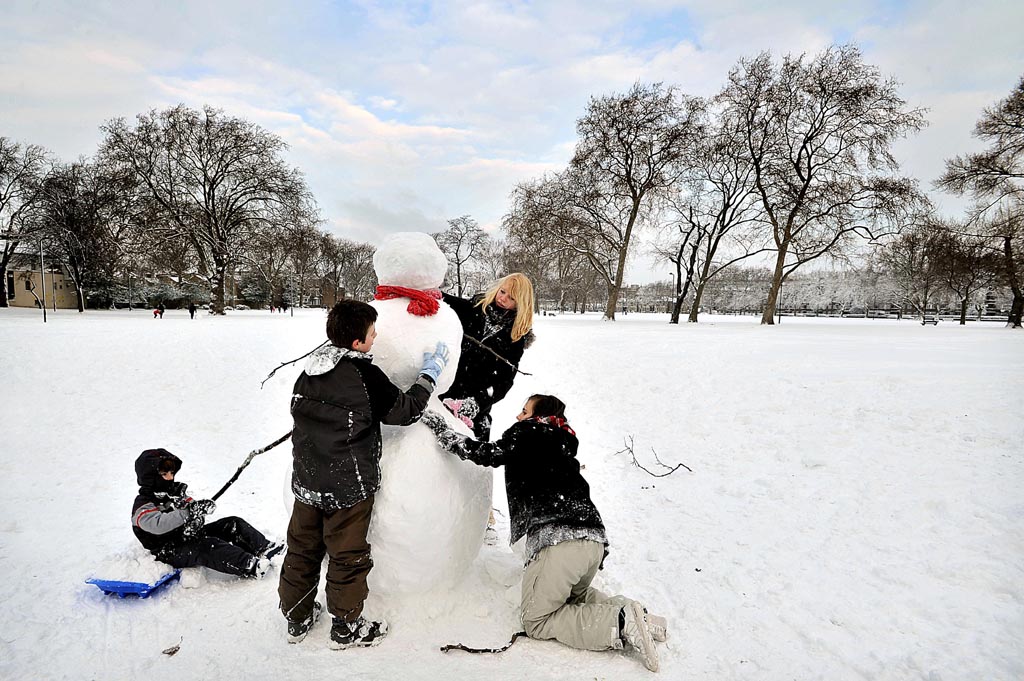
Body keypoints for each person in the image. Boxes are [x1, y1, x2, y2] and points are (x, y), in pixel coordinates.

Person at [420, 395, 667, 672]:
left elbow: (488, 453)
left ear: (538, 417)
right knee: (572, 599)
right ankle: (642, 618)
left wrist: (447, 435)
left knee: (536, 620)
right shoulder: (561, 444)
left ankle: (622, 623)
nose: (518, 417)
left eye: (524, 411)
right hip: (593, 541)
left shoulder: (529, 432)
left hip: (558, 539)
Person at [278, 299, 449, 648]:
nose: (376, 338)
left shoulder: (308, 372)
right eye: (372, 334)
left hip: (307, 479)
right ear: (357, 343)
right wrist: (428, 376)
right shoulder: (365, 376)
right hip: (348, 485)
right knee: (347, 555)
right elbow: (405, 411)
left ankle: (296, 618)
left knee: (302, 549)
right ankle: (345, 627)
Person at [131, 449, 283, 579]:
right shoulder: (143, 505)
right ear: (150, 478)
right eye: (164, 474)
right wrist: (189, 512)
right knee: (206, 547)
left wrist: (198, 515)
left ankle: (266, 548)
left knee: (232, 524)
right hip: (169, 550)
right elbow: (159, 525)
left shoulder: (174, 493)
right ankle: (249, 565)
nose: (170, 477)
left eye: (172, 472)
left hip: (187, 537)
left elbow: (191, 507)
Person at [439, 273, 535, 440]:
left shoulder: (515, 337)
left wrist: (475, 403)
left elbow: (504, 381)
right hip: (444, 392)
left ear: (520, 303)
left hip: (475, 410)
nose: (503, 298)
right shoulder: (474, 309)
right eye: (502, 291)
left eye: (511, 298)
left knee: (466, 452)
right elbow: (443, 300)